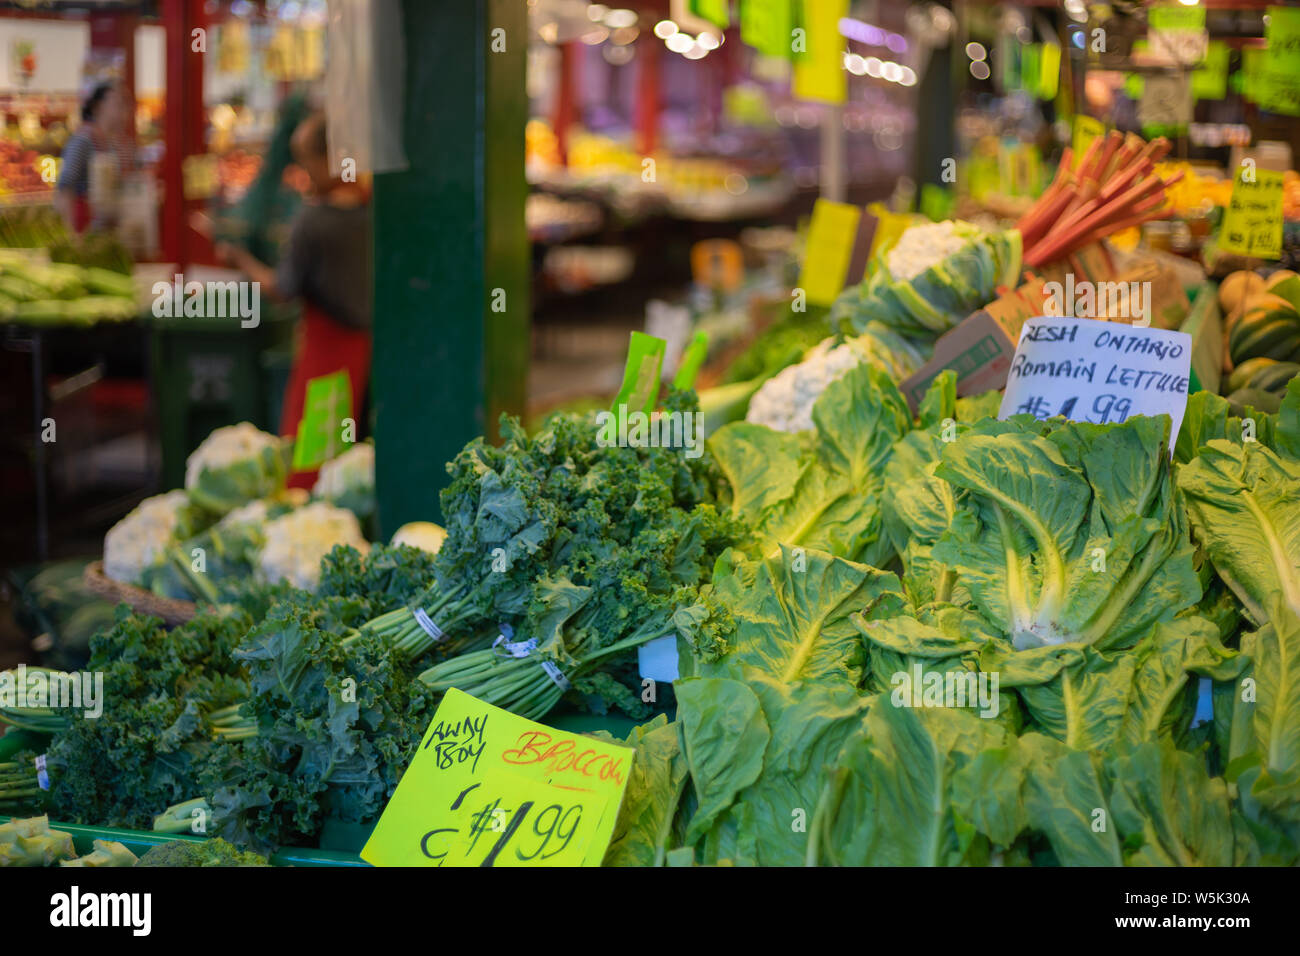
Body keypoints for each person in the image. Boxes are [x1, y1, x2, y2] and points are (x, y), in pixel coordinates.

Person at [217, 111, 372, 489]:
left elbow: (281, 289)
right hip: (368, 350)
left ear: (328, 158)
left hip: (324, 356)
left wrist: (239, 259)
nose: (304, 172)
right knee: (350, 463)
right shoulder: (374, 205)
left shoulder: (313, 222)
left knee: (311, 467)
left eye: (307, 161)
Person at [54, 81, 130, 233]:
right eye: (117, 103)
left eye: (125, 104)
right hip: (85, 228)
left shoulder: (114, 143)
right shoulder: (82, 141)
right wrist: (71, 235)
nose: (123, 110)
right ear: (97, 107)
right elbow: (65, 188)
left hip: (106, 229)